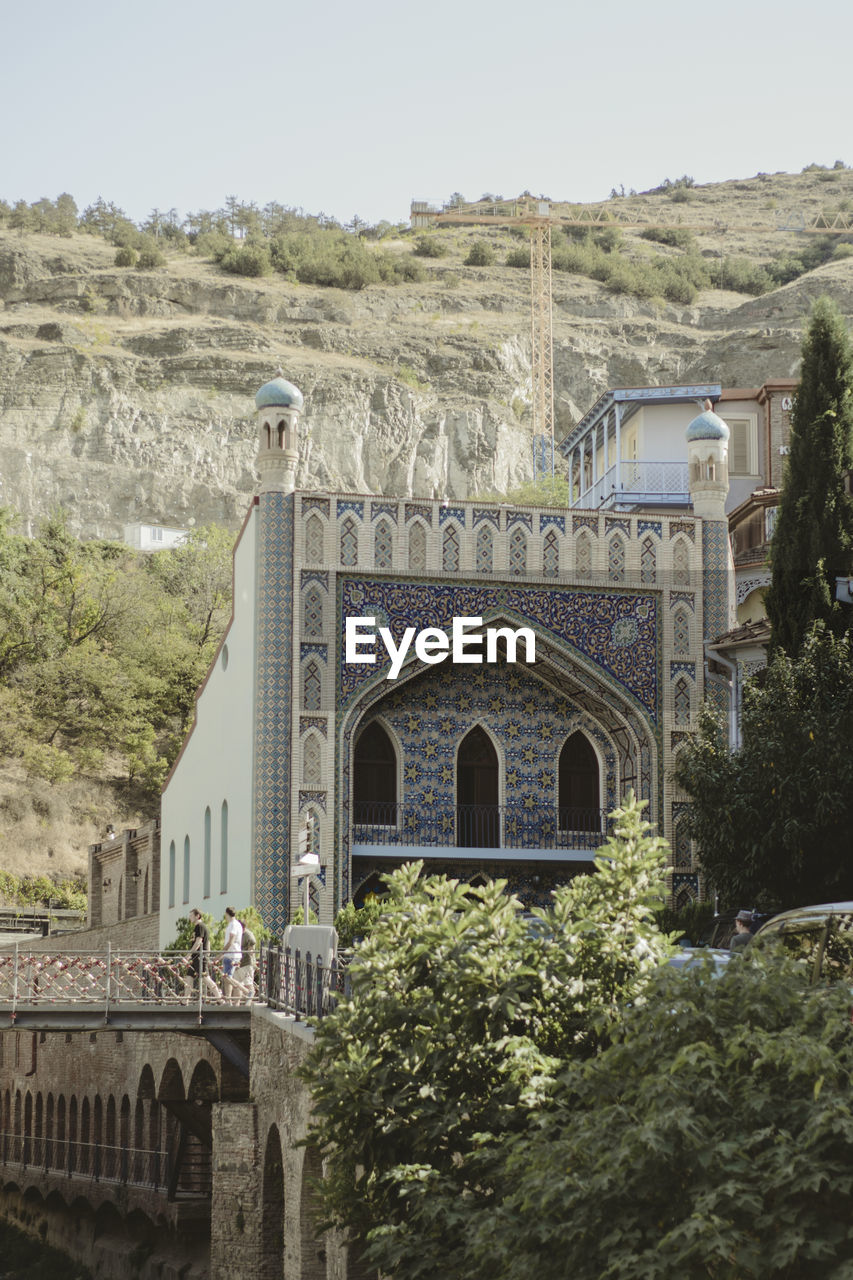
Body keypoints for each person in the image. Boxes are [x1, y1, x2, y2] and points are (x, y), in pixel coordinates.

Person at [187, 908, 221, 999]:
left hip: (199, 957)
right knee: (189, 977)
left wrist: (189, 954)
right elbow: (208, 942)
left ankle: (219, 997)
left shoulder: (200, 926)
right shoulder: (199, 927)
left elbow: (199, 941)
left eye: (191, 916)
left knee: (206, 978)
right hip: (196, 957)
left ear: (197, 916)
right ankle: (185, 1000)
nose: (189, 918)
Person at [228, 920, 257, 1004]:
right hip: (238, 963)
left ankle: (248, 1004)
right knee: (237, 985)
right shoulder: (237, 935)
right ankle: (236, 1005)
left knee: (248, 984)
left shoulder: (248, 935)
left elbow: (251, 950)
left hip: (246, 963)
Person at [221, 906, 244, 1003]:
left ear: (227, 914)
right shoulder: (235, 924)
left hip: (232, 954)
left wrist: (221, 953)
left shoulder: (233, 925)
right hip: (231, 954)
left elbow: (231, 941)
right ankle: (228, 999)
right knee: (227, 978)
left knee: (227, 977)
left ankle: (246, 991)